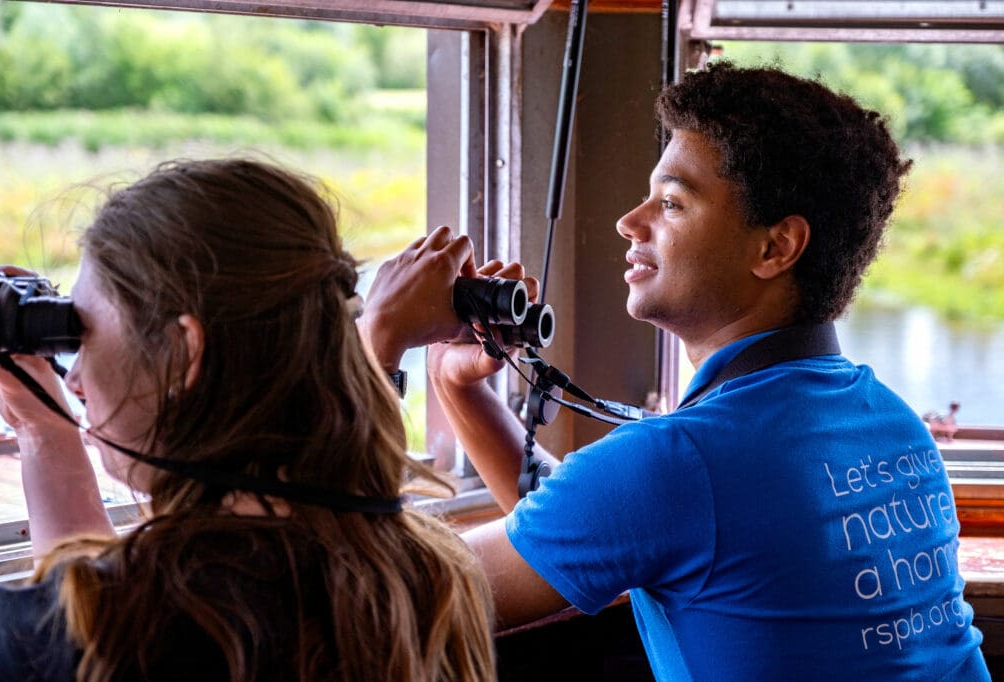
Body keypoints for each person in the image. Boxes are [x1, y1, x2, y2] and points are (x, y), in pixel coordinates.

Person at [362, 63, 992, 680]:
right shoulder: (891, 423)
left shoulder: (681, 464)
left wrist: (376, 343)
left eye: (671, 203)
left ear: (775, 248)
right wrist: (456, 384)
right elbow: (595, 527)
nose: (629, 222)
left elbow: (389, 601)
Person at [0, 158, 496, 681]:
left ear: (184, 352)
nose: (73, 379)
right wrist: (43, 431)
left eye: (83, 333)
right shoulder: (425, 574)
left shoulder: (117, 621)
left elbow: (78, 624)